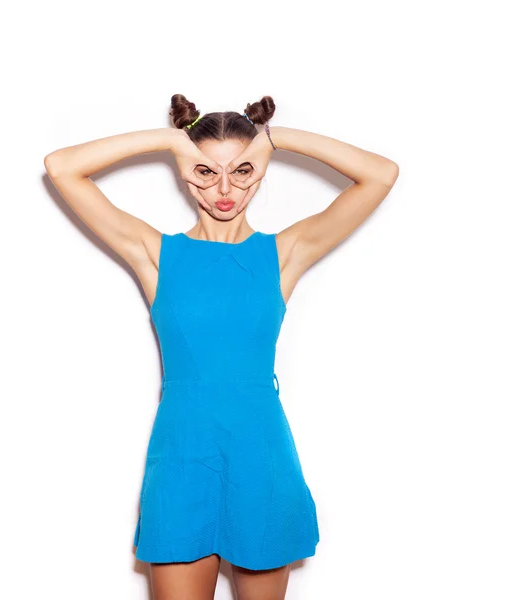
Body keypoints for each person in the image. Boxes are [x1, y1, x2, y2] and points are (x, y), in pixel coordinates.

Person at [44, 94, 399, 600]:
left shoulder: (282, 253)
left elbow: (382, 174)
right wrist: (172, 141)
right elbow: (61, 168)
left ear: (262, 171)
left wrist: (274, 139)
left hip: (260, 453)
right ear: (186, 170)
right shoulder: (157, 254)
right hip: (184, 455)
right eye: (207, 172)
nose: (226, 188)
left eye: (242, 170)